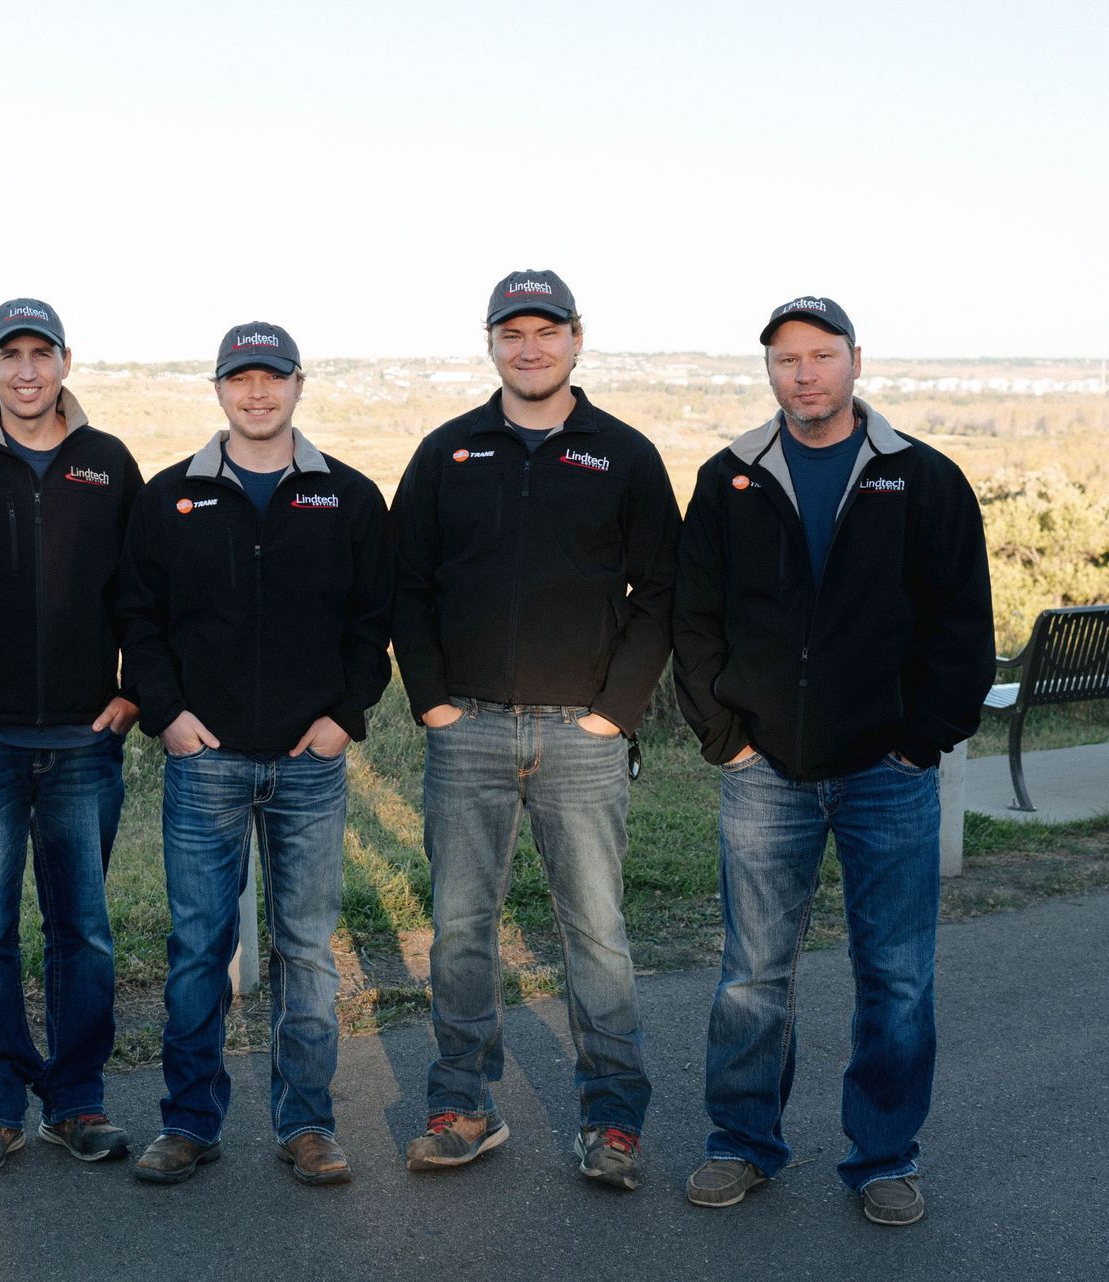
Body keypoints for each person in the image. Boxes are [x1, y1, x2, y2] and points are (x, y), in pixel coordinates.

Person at [672, 296, 992, 1226]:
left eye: (820, 356)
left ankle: (885, 1153)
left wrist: (919, 739)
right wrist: (724, 737)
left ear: (856, 361)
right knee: (751, 976)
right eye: (785, 360)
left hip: (887, 774)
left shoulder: (921, 478)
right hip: (763, 770)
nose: (804, 374)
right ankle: (742, 1143)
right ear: (767, 371)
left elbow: (962, 628)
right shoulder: (728, 477)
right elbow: (695, 623)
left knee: (895, 974)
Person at [391, 269, 678, 1190]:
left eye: (545, 330)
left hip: (580, 738)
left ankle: (612, 1122)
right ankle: (463, 1105)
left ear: (576, 339)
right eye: (511, 332)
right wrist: (432, 701)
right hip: (465, 731)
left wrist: (614, 715)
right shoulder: (448, 453)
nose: (530, 347)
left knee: (595, 933)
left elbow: (663, 595)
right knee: (460, 928)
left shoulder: (623, 456)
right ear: (490, 345)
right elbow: (406, 586)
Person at [118, 321, 393, 1186]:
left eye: (273, 377)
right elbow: (139, 621)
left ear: (299, 385)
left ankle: (306, 1123)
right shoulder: (171, 499)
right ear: (220, 390)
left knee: (305, 949)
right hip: (206, 761)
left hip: (311, 761)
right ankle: (190, 1123)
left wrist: (346, 716)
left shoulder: (346, 496)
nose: (258, 392)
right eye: (241, 378)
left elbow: (371, 623)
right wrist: (167, 716)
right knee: (200, 947)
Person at [0, 299, 144, 1174]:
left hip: (87, 743)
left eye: (39, 354)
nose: (25, 371)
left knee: (81, 930)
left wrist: (132, 700)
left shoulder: (108, 464)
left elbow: (144, 593)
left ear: (65, 362)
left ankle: (77, 1102)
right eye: (8, 355)